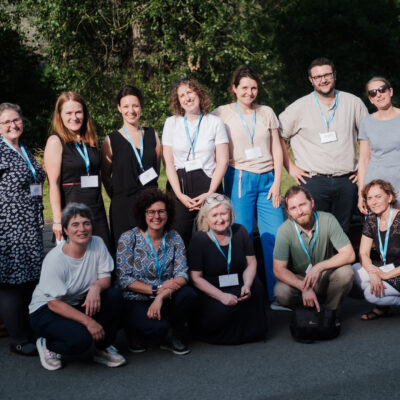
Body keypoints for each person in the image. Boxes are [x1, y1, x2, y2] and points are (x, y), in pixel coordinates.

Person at [213, 66, 284, 305]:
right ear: (234, 88)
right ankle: (247, 293)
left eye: (253, 87)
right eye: (244, 87)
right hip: (240, 178)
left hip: (267, 180)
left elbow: (276, 147)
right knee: (240, 237)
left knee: (274, 237)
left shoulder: (267, 112)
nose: (249, 92)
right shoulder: (221, 113)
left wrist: (277, 182)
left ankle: (277, 295)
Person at [29, 203, 126, 371]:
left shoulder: (97, 243)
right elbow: (54, 303)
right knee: (81, 340)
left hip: (78, 302)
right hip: (47, 309)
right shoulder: (55, 260)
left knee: (114, 295)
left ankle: (102, 347)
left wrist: (95, 288)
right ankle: (48, 345)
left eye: (86, 223)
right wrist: (89, 322)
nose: (82, 229)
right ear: (65, 230)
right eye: (75, 224)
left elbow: (105, 277)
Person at [279, 57, 368, 235]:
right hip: (313, 181)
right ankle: (319, 263)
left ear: (335, 75)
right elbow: (276, 135)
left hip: (347, 180)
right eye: (318, 77)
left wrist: (364, 170)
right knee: (316, 230)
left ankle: (342, 262)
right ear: (311, 80)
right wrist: (290, 167)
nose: (323, 80)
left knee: (343, 230)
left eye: (327, 74)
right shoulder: (299, 107)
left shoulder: (353, 102)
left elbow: (368, 137)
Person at [116, 188, 197, 355]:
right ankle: (135, 332)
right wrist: (154, 290)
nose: (156, 216)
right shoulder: (128, 238)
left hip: (166, 295)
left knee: (189, 295)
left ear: (168, 214)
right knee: (155, 329)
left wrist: (161, 295)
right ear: (143, 214)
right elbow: (124, 279)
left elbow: (182, 274)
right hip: (137, 297)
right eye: (151, 212)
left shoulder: (174, 237)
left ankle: (172, 334)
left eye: (161, 211)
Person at [188, 194, 267, 345]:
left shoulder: (240, 231)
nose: (220, 219)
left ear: (231, 214)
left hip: (238, 283)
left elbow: (251, 262)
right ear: (206, 218)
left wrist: (247, 285)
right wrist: (221, 296)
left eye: (224, 214)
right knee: (223, 311)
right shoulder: (199, 239)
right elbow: (195, 277)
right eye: (215, 215)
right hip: (212, 290)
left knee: (257, 288)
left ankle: (251, 333)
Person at [0, 103, 45, 355]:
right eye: (6, 122)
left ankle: (28, 330)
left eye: (16, 120)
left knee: (29, 281)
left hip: (31, 227)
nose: (12, 125)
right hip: (8, 228)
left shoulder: (24, 150)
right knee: (11, 284)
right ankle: (17, 338)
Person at [162, 77, 229, 247]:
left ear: (198, 94)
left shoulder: (214, 122)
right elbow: (168, 164)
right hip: (180, 189)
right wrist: (179, 195)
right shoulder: (171, 123)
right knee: (178, 239)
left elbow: (222, 161)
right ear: (178, 101)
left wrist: (210, 193)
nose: (187, 98)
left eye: (190, 92)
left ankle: (207, 274)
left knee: (211, 240)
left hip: (208, 186)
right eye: (182, 95)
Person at [44, 91, 111, 250]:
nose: (74, 117)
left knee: (103, 260)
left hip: (97, 211)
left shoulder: (91, 139)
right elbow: (52, 184)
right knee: (78, 266)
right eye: (68, 113)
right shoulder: (55, 141)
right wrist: (57, 220)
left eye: (78, 112)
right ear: (60, 115)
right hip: (72, 214)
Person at [273, 186, 355, 314]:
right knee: (281, 292)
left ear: (312, 202)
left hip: (324, 275)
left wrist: (319, 267)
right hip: (301, 278)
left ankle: (330, 311)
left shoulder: (328, 219)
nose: (299, 211)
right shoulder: (284, 230)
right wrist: (304, 287)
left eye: (302, 205)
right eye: (293, 208)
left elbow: (349, 254)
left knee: (346, 273)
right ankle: (306, 312)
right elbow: (278, 269)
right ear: (288, 212)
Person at [101, 86, 161, 249]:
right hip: (123, 206)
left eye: (135, 105)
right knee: (125, 253)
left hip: (151, 206)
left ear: (141, 106)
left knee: (152, 250)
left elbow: (157, 167)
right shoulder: (110, 140)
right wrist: (119, 196)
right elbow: (105, 176)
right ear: (119, 108)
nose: (131, 110)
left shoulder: (152, 134)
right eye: (126, 106)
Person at [353, 180, 400, 320]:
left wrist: (386, 275)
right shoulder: (372, 220)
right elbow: (364, 253)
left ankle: (384, 305)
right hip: (387, 268)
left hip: (396, 271)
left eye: (378, 196)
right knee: (355, 269)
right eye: (370, 198)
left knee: (370, 294)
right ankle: (384, 306)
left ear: (389, 197)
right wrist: (373, 272)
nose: (374, 202)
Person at [357, 77, 400, 213]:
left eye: (382, 90)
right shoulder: (367, 123)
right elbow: (363, 160)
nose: (379, 95)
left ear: (390, 91)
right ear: (370, 99)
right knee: (378, 231)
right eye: (373, 93)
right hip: (375, 188)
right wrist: (361, 194)